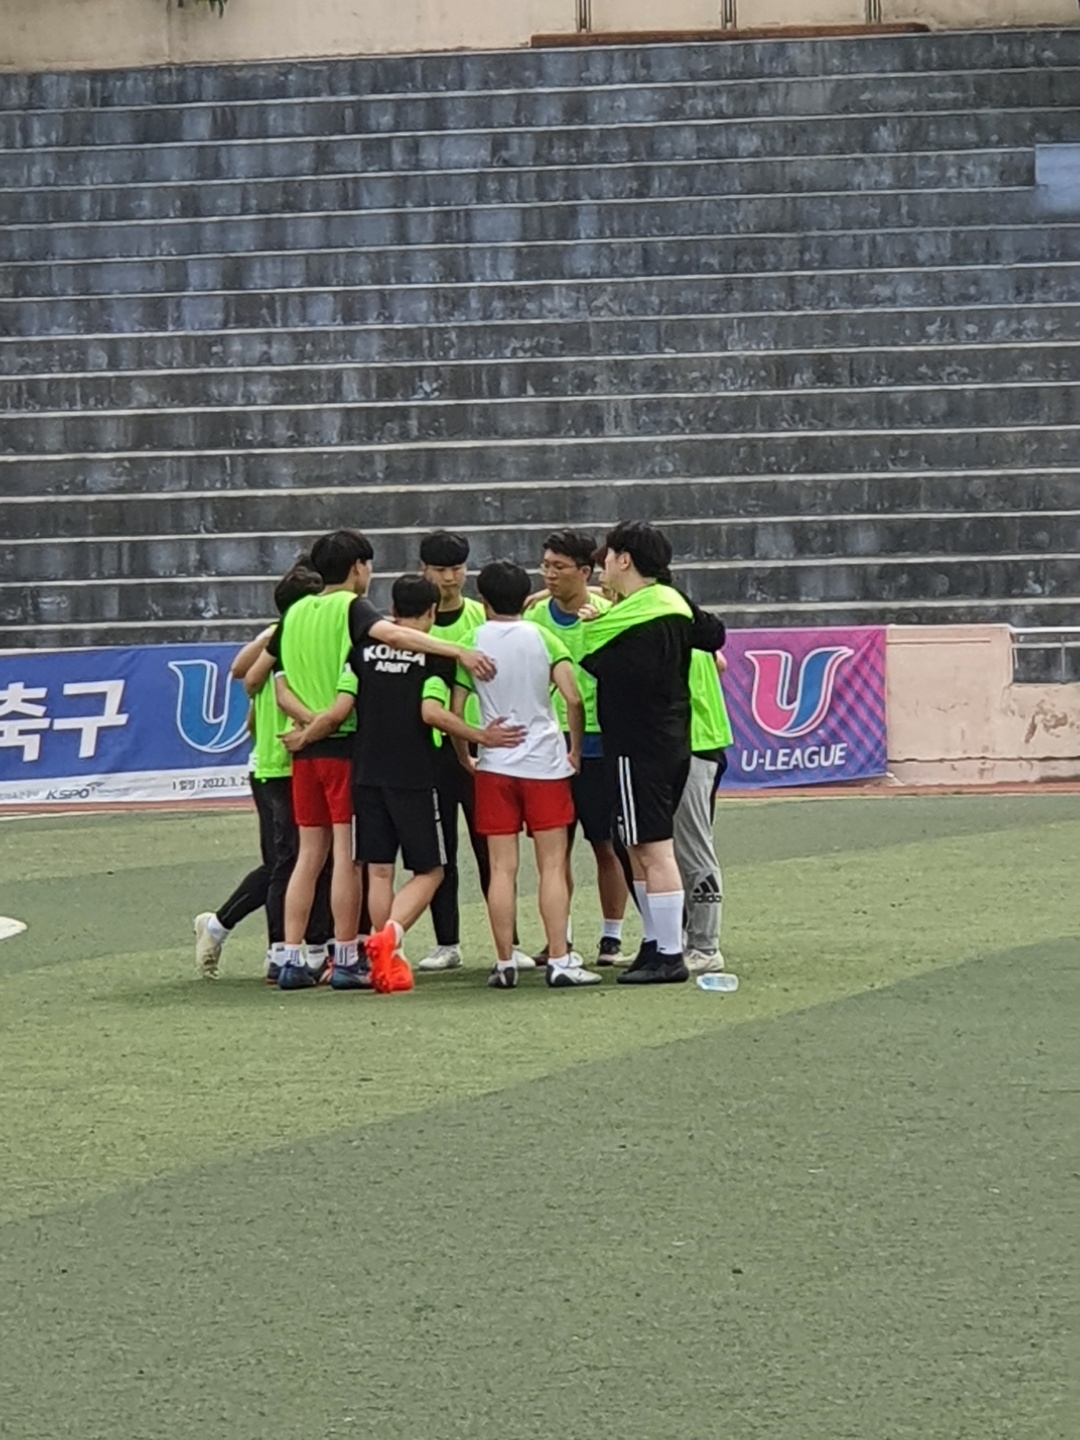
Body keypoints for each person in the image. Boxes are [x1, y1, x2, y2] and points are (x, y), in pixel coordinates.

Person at [270, 529, 495, 992]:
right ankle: (350, 955)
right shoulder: (352, 610)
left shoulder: (295, 614)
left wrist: (307, 731)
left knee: (313, 857)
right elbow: (389, 646)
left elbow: (278, 682)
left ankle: (289, 956)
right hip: (349, 752)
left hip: (309, 754)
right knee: (350, 860)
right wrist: (457, 650)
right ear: (358, 567)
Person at [580, 522, 724, 986]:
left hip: (638, 744)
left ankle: (669, 953)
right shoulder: (673, 603)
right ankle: (655, 943)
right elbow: (714, 634)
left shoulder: (630, 619)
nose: (603, 566)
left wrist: (594, 625)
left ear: (624, 559)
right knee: (641, 846)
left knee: (653, 849)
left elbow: (594, 660)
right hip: (672, 739)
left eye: (608, 556)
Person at [452, 559, 600, 990]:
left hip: (496, 764)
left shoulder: (470, 641)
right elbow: (573, 698)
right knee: (552, 865)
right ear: (525, 597)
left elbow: (456, 710)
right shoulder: (543, 636)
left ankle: (504, 962)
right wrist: (575, 749)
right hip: (544, 765)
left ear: (483, 600)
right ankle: (560, 958)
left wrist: (467, 754)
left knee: (502, 868)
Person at [192, 561, 333, 982]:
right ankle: (279, 950)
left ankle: (242, 932)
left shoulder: (299, 638)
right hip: (279, 762)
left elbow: (248, 681)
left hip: (295, 761)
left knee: (298, 861)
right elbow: (243, 674)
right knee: (289, 862)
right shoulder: (281, 636)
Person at [417, 529, 529, 973]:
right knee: (440, 851)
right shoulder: (414, 622)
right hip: (433, 751)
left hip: (484, 749)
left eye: (457, 569)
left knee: (492, 850)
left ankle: (509, 943)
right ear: (424, 570)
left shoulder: (481, 620)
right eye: (441, 569)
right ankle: (447, 943)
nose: (449, 578)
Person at [524, 529, 629, 965]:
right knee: (554, 849)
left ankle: (612, 936)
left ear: (585, 572)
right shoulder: (534, 618)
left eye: (559, 567)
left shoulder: (606, 614)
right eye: (546, 566)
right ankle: (559, 938)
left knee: (606, 843)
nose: (550, 574)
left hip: (599, 741)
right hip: (550, 746)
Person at [675, 649, 732, 974]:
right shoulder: (691, 631)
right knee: (678, 848)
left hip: (694, 744)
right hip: (695, 742)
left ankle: (705, 945)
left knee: (694, 847)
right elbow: (720, 663)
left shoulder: (675, 632)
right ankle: (685, 939)